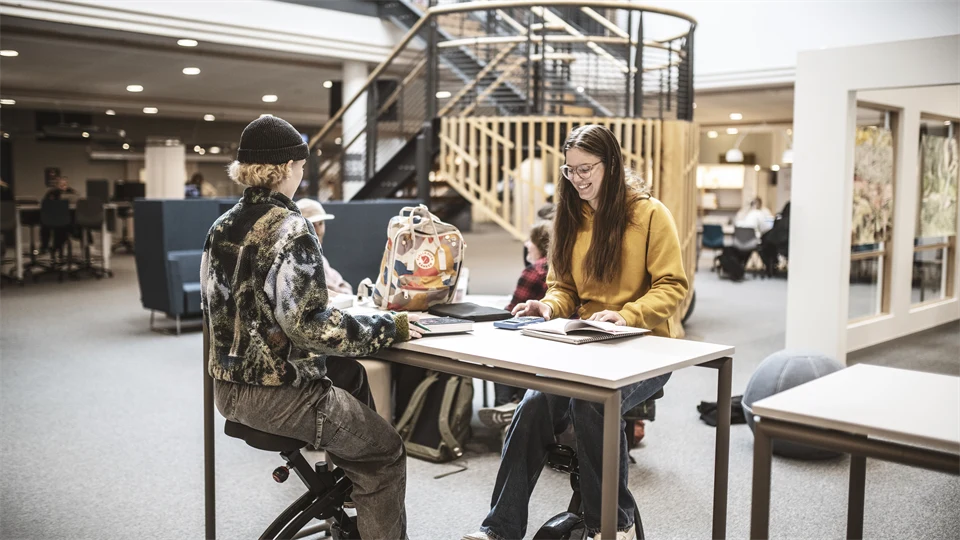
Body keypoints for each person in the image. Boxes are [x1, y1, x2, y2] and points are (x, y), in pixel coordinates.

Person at [463, 124, 688, 540]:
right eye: (570, 171)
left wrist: (627, 315)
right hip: (586, 343)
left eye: (587, 169)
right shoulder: (569, 216)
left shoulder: (650, 213)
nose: (578, 179)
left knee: (593, 405)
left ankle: (613, 524)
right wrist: (547, 306)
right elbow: (563, 286)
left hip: (648, 346)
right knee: (531, 407)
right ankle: (499, 529)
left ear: (612, 165)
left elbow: (673, 286)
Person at [201, 115, 421, 540]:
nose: (302, 174)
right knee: (386, 453)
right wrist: (390, 327)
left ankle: (352, 504)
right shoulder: (291, 227)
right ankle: (366, 494)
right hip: (279, 397)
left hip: (228, 392)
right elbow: (310, 329)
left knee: (350, 375)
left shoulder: (221, 227)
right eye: (300, 165)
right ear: (285, 167)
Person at [479, 221, 551, 429]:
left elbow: (512, 312)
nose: (527, 244)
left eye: (530, 240)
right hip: (556, 339)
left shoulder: (534, 271)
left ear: (540, 244)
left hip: (531, 341)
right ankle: (518, 405)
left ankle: (508, 406)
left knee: (499, 344)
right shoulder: (562, 267)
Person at [295, 198, 353, 296]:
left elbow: (346, 287)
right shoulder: (296, 261)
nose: (318, 231)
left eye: (321, 223)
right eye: (312, 225)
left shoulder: (321, 258)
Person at [40, 175, 78, 253]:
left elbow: (76, 202)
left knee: (67, 226)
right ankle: (46, 247)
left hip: (68, 218)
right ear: (57, 185)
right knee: (45, 225)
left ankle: (57, 247)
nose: (63, 186)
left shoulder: (71, 192)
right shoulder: (51, 193)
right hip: (53, 217)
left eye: (65, 184)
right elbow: (45, 204)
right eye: (61, 184)